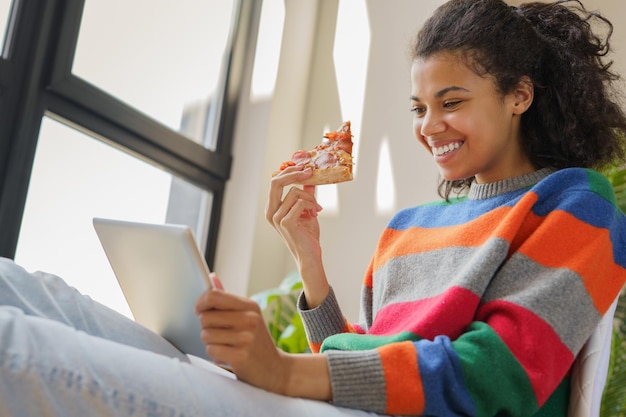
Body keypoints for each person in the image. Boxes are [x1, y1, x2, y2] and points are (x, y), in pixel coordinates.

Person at [1, 0, 626, 416]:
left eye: (452, 100)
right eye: (418, 107)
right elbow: (367, 359)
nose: (429, 125)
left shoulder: (574, 201)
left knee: (18, 345)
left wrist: (283, 372)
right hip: (336, 409)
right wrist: (309, 258)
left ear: (520, 95)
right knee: (29, 290)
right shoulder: (409, 227)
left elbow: (496, 379)